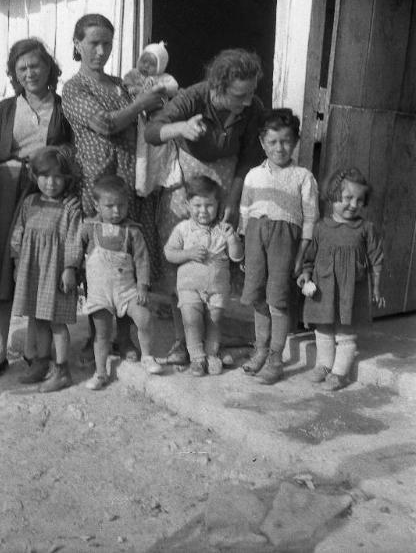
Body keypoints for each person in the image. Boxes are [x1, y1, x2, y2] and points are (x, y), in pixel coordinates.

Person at [144, 48, 265, 367]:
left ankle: (210, 339)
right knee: (181, 263)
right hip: (186, 184)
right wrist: (179, 129)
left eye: (252, 92)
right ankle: (182, 342)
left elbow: (250, 157)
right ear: (218, 86)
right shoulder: (193, 98)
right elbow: (152, 131)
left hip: (225, 183)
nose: (249, 101)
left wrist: (234, 199)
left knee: (215, 261)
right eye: (241, 94)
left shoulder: (253, 110)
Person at [62, 13, 165, 362]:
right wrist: (140, 105)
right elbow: (104, 125)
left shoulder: (122, 84)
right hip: (98, 184)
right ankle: (97, 338)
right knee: (98, 262)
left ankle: (125, 337)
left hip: (129, 182)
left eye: (107, 42)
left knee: (127, 260)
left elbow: (150, 116)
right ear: (78, 44)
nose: (101, 50)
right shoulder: (74, 88)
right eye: (93, 42)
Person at [0, 38, 72, 381]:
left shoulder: (63, 108)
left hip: (45, 193)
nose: (30, 73)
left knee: (40, 269)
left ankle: (35, 349)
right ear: (15, 74)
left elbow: (72, 154)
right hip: (5, 191)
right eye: (22, 68)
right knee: (2, 268)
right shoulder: (4, 109)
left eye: (36, 65)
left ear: (49, 68)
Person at [239, 108, 319, 385]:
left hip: (285, 242)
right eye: (272, 142)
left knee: (278, 300)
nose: (279, 148)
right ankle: (260, 349)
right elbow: (244, 211)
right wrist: (243, 247)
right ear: (262, 142)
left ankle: (276, 358)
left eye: (285, 141)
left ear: (295, 141)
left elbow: (310, 218)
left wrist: (301, 253)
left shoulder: (302, 177)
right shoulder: (253, 175)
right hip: (255, 238)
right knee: (258, 296)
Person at [297, 167, 385, 391]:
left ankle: (339, 372)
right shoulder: (320, 228)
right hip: (324, 290)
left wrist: (376, 289)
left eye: (359, 200)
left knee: (346, 332)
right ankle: (324, 365)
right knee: (324, 328)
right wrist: (306, 275)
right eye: (348, 198)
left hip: (350, 292)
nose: (353, 205)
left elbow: (376, 259)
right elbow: (310, 258)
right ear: (333, 195)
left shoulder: (366, 229)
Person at [10, 146, 81, 393]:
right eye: (45, 176)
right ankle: (41, 363)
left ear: (66, 179)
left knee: (56, 323)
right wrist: (18, 262)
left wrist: (70, 268)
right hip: (33, 271)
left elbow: (74, 239)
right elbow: (18, 233)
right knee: (38, 319)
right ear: (35, 176)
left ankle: (62, 371)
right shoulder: (30, 202)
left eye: (58, 177)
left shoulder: (70, 207)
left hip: (56, 273)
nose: (51, 183)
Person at [81, 175, 162, 390]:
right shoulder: (90, 228)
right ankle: (100, 373)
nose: (116, 211)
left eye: (121, 206)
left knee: (143, 318)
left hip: (127, 290)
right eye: (110, 206)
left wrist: (143, 285)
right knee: (102, 333)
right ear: (97, 205)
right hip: (100, 292)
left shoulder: (132, 231)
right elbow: (74, 251)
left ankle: (147, 356)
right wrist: (70, 270)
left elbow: (142, 259)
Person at [164, 176, 244, 377]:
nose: (203, 210)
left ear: (219, 205)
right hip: (189, 287)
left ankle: (212, 354)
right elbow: (169, 253)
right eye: (197, 205)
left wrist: (232, 239)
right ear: (187, 204)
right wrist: (188, 254)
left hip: (217, 289)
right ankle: (197, 357)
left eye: (209, 205)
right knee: (191, 320)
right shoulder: (183, 229)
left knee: (214, 320)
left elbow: (237, 256)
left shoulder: (222, 230)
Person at [123, 41, 181, 198]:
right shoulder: (134, 74)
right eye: (144, 61)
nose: (145, 66)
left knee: (157, 155)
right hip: (140, 120)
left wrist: (161, 86)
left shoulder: (163, 77)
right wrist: (134, 89)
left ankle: (157, 184)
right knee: (142, 157)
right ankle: (141, 186)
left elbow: (174, 87)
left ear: (160, 67)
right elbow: (126, 84)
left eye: (151, 64)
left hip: (157, 119)